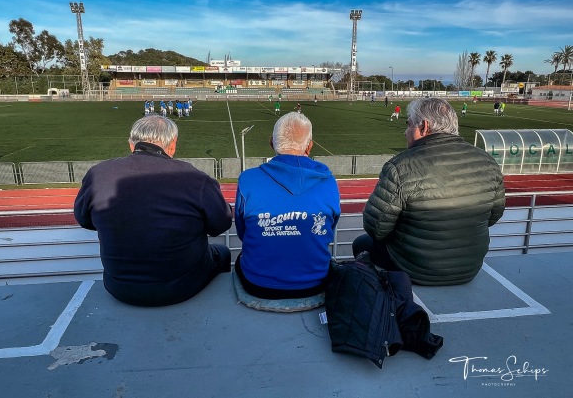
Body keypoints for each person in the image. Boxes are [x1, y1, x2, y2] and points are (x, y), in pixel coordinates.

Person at [74, 115, 233, 306]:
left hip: (119, 287)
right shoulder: (195, 178)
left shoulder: (98, 173)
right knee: (222, 252)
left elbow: (84, 219)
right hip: (182, 288)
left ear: (132, 145)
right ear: (172, 145)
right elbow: (220, 224)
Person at [353, 97, 505, 286]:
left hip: (413, 269)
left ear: (424, 127)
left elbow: (375, 227)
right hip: (468, 269)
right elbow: (494, 215)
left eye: (408, 125)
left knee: (361, 244)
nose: (405, 131)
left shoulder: (400, 166)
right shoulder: (488, 162)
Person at [234, 112, 341, 299]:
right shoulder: (328, 182)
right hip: (316, 282)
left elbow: (243, 232)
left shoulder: (248, 179)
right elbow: (328, 229)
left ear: (271, 143)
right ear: (309, 147)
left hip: (257, 283)